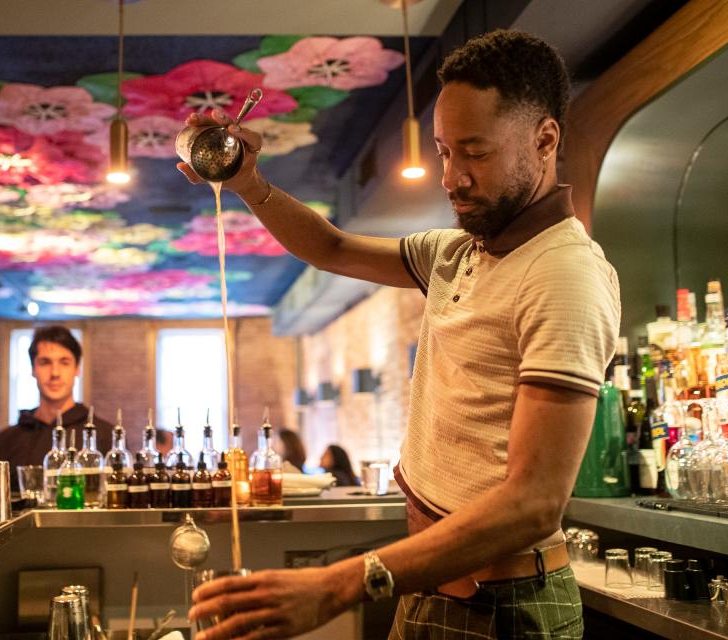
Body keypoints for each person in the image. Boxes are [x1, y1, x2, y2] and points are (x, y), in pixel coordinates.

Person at [179, 29, 619, 639]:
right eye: (443, 152)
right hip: (436, 588)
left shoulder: (563, 273)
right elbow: (331, 246)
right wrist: (251, 183)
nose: (451, 177)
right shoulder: (459, 253)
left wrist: (339, 583)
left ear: (545, 140)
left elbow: (535, 501)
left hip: (505, 608)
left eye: (475, 152)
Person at [0, 326, 113, 483]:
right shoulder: (3, 442)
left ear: (77, 368)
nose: (55, 373)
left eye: (64, 362)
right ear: (33, 369)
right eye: (45, 362)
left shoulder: (105, 436)